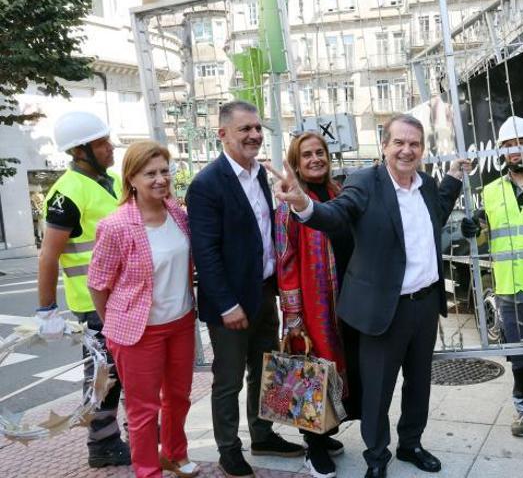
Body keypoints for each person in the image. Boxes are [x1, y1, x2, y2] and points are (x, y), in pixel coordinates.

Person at [268, 114, 468, 478]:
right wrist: (303, 205)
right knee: (376, 392)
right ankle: (377, 457)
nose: (406, 150)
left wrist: (453, 176)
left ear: (422, 149)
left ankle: (411, 444)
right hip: (383, 310)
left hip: (424, 305)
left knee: (419, 383)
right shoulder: (364, 182)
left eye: (414, 144)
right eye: (399, 143)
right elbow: (336, 215)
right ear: (384, 146)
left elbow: (436, 214)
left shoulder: (424, 183)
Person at [186, 101, 304, 478]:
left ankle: (263, 434)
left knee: (265, 371)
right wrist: (226, 305)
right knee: (228, 381)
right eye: (244, 129)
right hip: (231, 306)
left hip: (264, 295)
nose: (254, 135)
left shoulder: (260, 176)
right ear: (222, 134)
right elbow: (205, 253)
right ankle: (228, 450)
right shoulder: (206, 184)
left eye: (257, 128)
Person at [87, 141, 198, 478]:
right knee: (143, 410)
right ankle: (148, 471)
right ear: (131, 178)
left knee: (179, 397)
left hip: (180, 322)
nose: (160, 179)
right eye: (150, 173)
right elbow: (97, 282)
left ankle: (175, 455)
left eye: (165, 171)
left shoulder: (178, 214)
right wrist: (115, 324)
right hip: (138, 332)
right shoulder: (116, 225)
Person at [35, 111, 130, 468]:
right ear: (80, 150)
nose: (111, 147)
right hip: (94, 302)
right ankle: (102, 445)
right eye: (102, 142)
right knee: (104, 375)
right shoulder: (66, 193)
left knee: (122, 373)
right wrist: (46, 309)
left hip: (126, 298)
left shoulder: (114, 182)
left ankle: (125, 433)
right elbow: (48, 255)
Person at [274, 132, 356, 478]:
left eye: (320, 152)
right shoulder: (289, 203)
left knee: (337, 371)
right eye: (306, 155)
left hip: (347, 300)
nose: (315, 159)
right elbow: (285, 260)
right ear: (296, 162)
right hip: (313, 304)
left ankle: (327, 431)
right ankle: (314, 447)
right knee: (310, 372)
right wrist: (293, 314)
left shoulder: (338, 192)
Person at [460, 116, 523, 437]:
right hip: (510, 288)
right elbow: (484, 240)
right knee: (520, 357)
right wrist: (474, 230)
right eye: (508, 146)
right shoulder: (492, 190)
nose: (514, 151)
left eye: (521, 143)